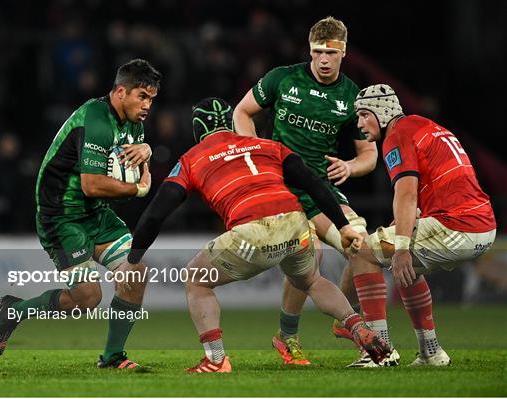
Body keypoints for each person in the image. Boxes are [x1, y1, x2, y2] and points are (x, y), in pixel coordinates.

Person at [124, 97, 390, 373]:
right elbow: (313, 183)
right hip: (294, 222)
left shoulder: (192, 158)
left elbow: (156, 214)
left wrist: (134, 258)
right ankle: (358, 327)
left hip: (252, 231)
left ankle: (216, 360)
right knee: (311, 280)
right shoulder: (266, 145)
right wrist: (342, 225)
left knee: (196, 279)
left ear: (197, 130)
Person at [0, 59, 161, 369]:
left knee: (135, 273)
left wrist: (146, 150)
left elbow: (134, 166)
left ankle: (112, 357)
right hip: (62, 215)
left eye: (151, 99)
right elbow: (92, 184)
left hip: (96, 213)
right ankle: (16, 310)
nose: (147, 105)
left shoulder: (134, 119)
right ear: (121, 91)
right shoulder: (95, 119)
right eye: (142, 96)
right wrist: (138, 190)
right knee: (87, 299)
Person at [233, 16, 381, 366]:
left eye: (331, 52)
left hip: (321, 192)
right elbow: (242, 112)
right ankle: (288, 336)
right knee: (308, 258)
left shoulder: (350, 96)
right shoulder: (282, 79)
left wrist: (349, 166)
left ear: (343, 53)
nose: (324, 59)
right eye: (318, 52)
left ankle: (348, 322)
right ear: (309, 50)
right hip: (282, 190)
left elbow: (369, 155)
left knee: (362, 245)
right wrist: (256, 153)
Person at [343, 84, 496, 366]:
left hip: (456, 225)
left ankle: (379, 352)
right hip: (481, 225)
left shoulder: (397, 135)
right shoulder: (426, 126)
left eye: (364, 114)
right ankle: (431, 352)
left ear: (383, 111)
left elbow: (406, 193)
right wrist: (403, 236)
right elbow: (429, 191)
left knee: (361, 251)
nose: (360, 123)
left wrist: (400, 247)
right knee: (407, 270)